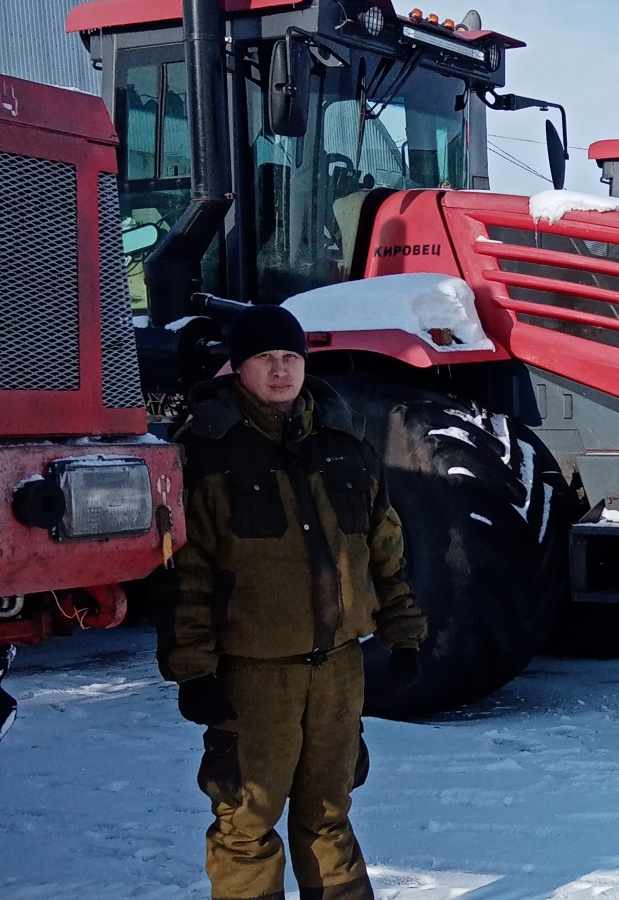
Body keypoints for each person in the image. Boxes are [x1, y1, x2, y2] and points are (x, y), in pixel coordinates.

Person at [159, 304, 427, 900]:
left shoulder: (344, 440)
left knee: (330, 815)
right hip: (254, 673)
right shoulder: (207, 447)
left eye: (290, 358)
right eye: (264, 359)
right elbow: (186, 570)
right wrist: (193, 670)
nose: (280, 371)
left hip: (337, 668)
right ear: (238, 366)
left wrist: (403, 631)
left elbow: (383, 543)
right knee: (246, 823)